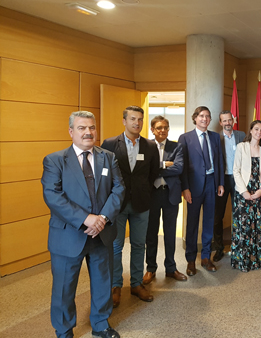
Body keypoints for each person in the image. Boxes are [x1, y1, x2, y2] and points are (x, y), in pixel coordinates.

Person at [41, 111, 125, 338]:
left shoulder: (108, 157)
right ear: (71, 131)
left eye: (92, 127)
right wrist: (85, 219)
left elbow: (119, 189)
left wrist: (103, 219)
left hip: (102, 233)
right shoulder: (55, 160)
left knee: (102, 281)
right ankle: (64, 330)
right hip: (68, 235)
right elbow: (53, 196)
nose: (88, 132)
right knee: (64, 288)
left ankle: (100, 324)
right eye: (81, 128)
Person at [101, 106, 159, 306]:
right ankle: (116, 285)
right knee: (116, 246)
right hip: (117, 204)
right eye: (133, 119)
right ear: (124, 121)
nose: (137, 123)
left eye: (140, 119)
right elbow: (104, 174)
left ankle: (136, 284)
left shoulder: (150, 146)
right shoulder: (109, 144)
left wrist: (144, 191)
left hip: (142, 203)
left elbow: (152, 174)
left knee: (138, 244)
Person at [179, 106, 224, 275]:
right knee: (192, 223)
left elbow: (219, 161)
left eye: (207, 116)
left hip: (212, 183)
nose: (205, 119)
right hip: (194, 186)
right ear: (195, 118)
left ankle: (206, 257)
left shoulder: (214, 137)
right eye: (201, 116)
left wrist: (220, 183)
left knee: (209, 221)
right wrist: (185, 188)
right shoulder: (185, 138)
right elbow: (182, 166)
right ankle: (191, 260)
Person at [143, 116, 187, 285]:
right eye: (159, 127)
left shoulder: (176, 146)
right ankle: (151, 269)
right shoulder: (146, 146)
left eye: (166, 127)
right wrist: (164, 165)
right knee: (151, 233)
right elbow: (146, 170)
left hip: (170, 194)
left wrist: (158, 167)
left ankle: (171, 268)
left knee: (170, 233)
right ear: (152, 129)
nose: (163, 130)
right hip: (151, 195)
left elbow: (178, 167)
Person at [231, 120, 261, 272]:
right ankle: (243, 261)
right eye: (256, 129)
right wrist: (244, 192)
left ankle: (258, 260)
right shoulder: (242, 147)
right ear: (251, 130)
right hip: (243, 192)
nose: (259, 132)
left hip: (259, 192)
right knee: (244, 227)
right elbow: (236, 170)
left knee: (259, 226)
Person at [213, 110, 245, 263]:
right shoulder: (215, 138)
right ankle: (219, 249)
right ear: (220, 123)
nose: (227, 123)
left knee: (238, 214)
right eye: (224, 121)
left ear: (233, 121)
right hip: (222, 180)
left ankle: (237, 247)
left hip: (239, 180)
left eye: (229, 120)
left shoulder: (241, 136)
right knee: (217, 216)